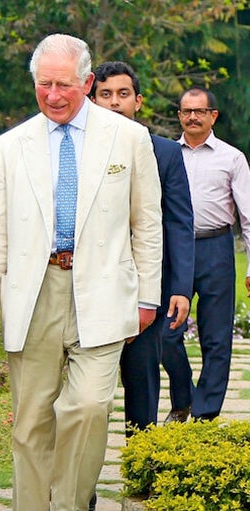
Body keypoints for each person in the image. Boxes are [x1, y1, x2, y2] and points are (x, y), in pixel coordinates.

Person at [0, 34, 162, 511]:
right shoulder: (9, 147)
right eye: (44, 84)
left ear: (88, 82)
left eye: (64, 85)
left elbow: (148, 223)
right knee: (31, 420)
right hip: (32, 295)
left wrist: (148, 296)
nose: (53, 95)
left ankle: (71, 505)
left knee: (91, 407)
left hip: (102, 292)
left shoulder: (129, 138)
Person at [90, 61, 195, 433]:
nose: (115, 103)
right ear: (91, 99)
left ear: (138, 101)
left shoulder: (165, 152)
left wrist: (181, 287)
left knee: (142, 376)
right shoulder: (79, 149)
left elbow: (179, 223)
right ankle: (80, 476)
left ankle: (141, 458)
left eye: (123, 94)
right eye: (105, 95)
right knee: (88, 390)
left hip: (147, 284)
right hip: (91, 282)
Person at [161, 85, 250, 422]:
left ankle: (204, 414)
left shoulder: (232, 158)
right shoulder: (168, 154)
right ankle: (183, 399)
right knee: (166, 334)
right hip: (173, 251)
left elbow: (248, 217)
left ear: (213, 115)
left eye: (199, 111)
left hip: (216, 249)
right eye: (186, 111)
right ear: (180, 115)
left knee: (216, 339)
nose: (192, 117)